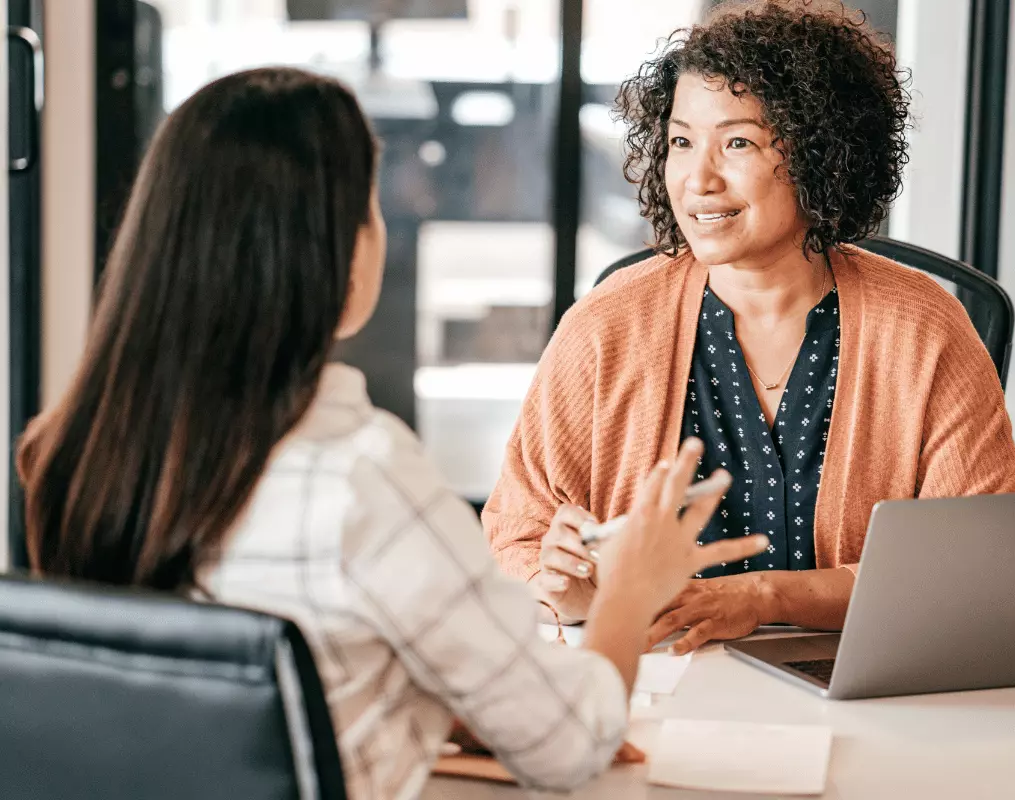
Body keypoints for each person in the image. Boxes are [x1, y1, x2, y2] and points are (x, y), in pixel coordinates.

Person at [16, 67, 765, 799]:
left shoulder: (75, 452)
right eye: (370, 206)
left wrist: (441, 702)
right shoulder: (361, 476)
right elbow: (570, 744)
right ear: (332, 254)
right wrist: (629, 593)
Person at [484, 0, 1015, 654]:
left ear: (821, 152)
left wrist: (769, 596)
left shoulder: (923, 328)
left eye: (737, 142)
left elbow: (979, 564)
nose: (698, 179)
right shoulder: (606, 326)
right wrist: (568, 591)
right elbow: (515, 541)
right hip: (652, 681)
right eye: (682, 142)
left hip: (861, 688)